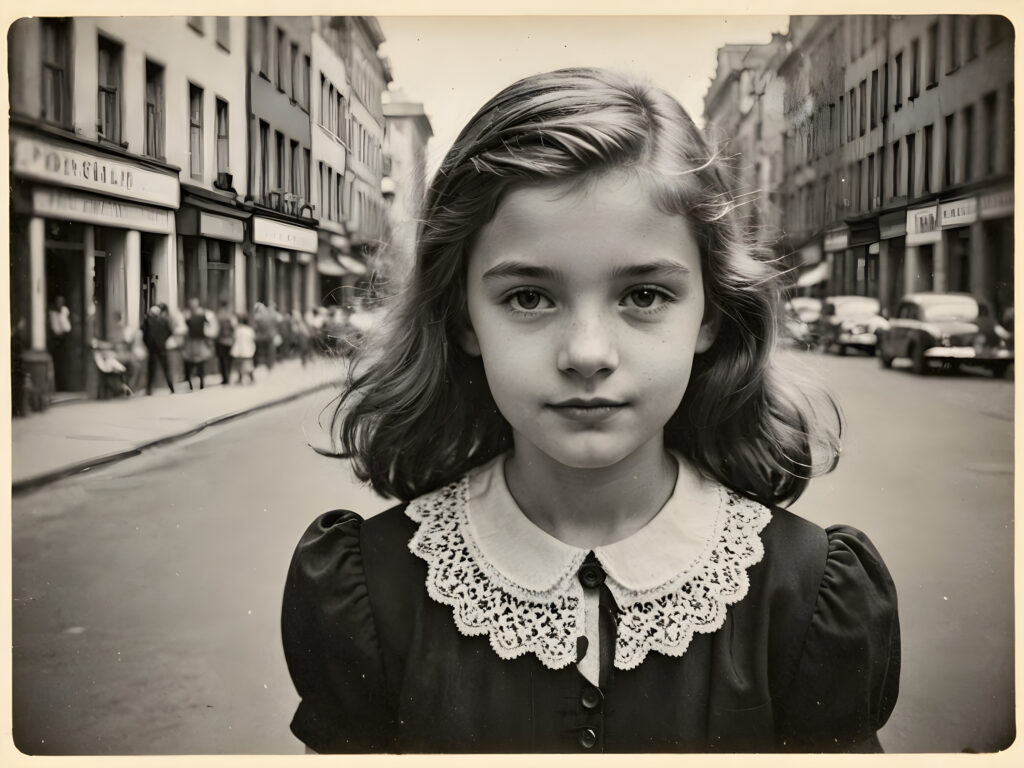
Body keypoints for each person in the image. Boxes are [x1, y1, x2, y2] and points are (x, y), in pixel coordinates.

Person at [281, 69, 900, 754]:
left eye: (643, 296)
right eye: (527, 298)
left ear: (710, 315)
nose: (586, 353)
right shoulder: (372, 586)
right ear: (461, 318)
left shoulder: (807, 592)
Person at [181, 297, 216, 391]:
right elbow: (208, 325)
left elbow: (185, 328)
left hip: (191, 343)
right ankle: (200, 383)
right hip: (199, 342)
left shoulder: (187, 315)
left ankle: (192, 384)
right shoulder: (202, 315)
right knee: (200, 364)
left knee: (191, 364)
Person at [141, 304, 175, 395]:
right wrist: (163, 340)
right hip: (161, 346)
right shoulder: (164, 320)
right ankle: (171, 388)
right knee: (166, 368)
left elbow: (143, 334)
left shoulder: (147, 321)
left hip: (152, 347)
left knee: (151, 369)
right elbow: (170, 332)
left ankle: (149, 390)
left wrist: (147, 344)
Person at [47, 295, 72, 391]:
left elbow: (67, 328)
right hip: (53, 341)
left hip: (63, 341)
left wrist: (63, 314)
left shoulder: (64, 312)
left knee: (63, 366)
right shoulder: (51, 313)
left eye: (61, 302)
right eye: (58, 302)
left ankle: (63, 387)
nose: (60, 304)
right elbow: (53, 328)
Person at [230, 313, 256, 385]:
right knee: (249, 365)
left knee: (239, 364)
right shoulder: (249, 330)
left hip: (239, 350)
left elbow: (234, 339)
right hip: (248, 349)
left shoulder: (238, 330)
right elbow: (252, 339)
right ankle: (251, 379)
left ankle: (241, 379)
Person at [215, 300, 237, 385]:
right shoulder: (230, 316)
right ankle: (228, 376)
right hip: (229, 341)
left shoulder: (218, 315)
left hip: (220, 340)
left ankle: (224, 378)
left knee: (222, 360)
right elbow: (234, 327)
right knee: (229, 360)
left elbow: (215, 329)